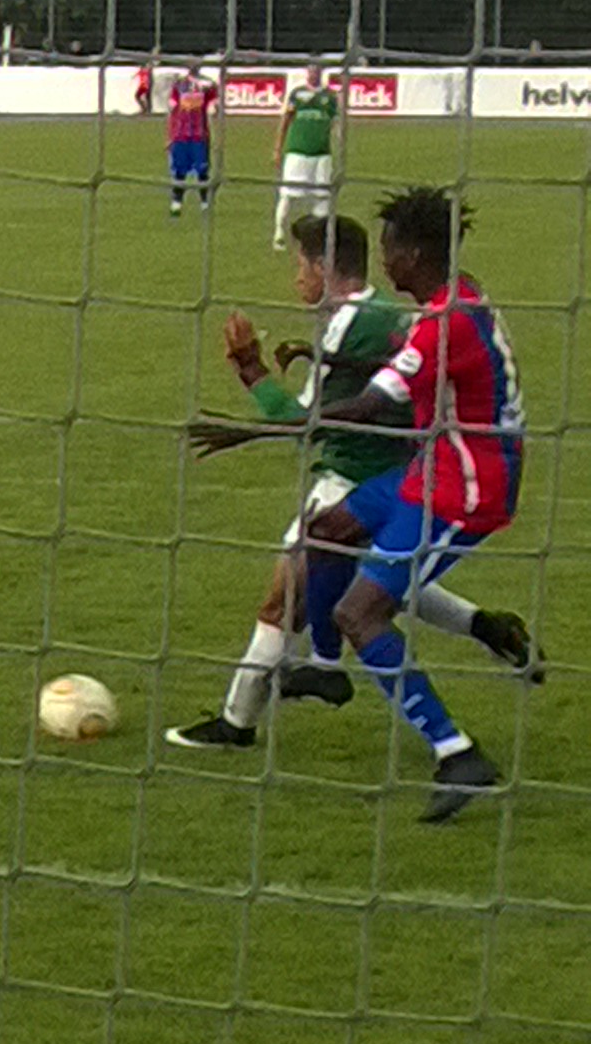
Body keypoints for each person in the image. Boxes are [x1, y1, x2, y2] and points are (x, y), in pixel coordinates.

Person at [192, 188, 524, 819]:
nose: (385, 260)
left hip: (466, 490)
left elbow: (368, 405)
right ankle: (324, 666)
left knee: (361, 613)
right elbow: (409, 359)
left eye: (391, 249)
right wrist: (328, 355)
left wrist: (251, 429)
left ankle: (456, 753)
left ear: (415, 254)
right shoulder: (460, 299)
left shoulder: (442, 325)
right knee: (324, 533)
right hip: (430, 470)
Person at [272, 63, 342, 251]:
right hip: (297, 152)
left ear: (321, 73)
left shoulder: (330, 97)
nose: (313, 74)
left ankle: (318, 238)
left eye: (316, 71)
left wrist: (340, 141)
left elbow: (336, 124)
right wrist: (278, 148)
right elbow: (285, 121)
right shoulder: (297, 94)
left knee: (322, 196)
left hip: (322, 154)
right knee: (288, 195)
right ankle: (279, 233)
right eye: (310, 71)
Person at [164, 67, 220, 217]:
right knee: (179, 171)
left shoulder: (207, 85)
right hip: (181, 135)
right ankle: (176, 203)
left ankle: (205, 203)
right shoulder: (179, 85)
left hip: (199, 135)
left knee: (202, 171)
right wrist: (170, 136)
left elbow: (215, 106)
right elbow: (172, 111)